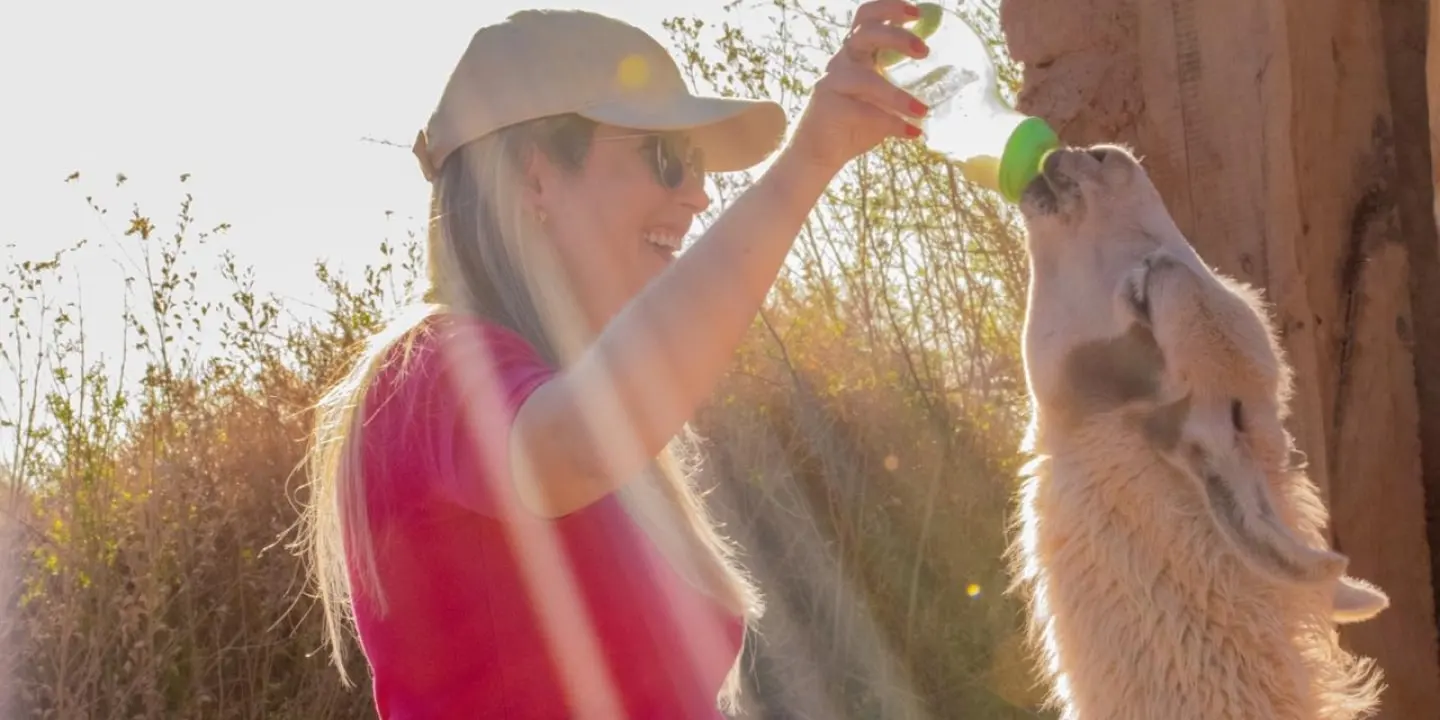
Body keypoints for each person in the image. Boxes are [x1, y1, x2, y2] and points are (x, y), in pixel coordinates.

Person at [299, 3, 931, 718]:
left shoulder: (568, 391)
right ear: (535, 179)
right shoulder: (427, 373)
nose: (697, 195)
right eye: (666, 159)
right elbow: (573, 448)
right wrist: (809, 162)